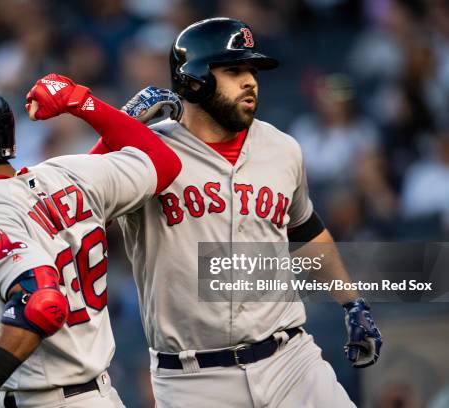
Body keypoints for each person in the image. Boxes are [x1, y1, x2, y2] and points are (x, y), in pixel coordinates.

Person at [89, 17, 382, 407]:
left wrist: (352, 302)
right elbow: (75, 207)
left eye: (252, 69)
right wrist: (117, 129)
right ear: (193, 79)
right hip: (194, 380)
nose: (250, 80)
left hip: (291, 361)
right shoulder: (145, 152)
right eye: (233, 70)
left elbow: (306, 230)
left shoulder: (283, 148)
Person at [0, 73, 181, 408]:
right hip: (101, 395)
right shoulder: (70, 173)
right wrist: (84, 103)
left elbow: (41, 303)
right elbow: (165, 163)